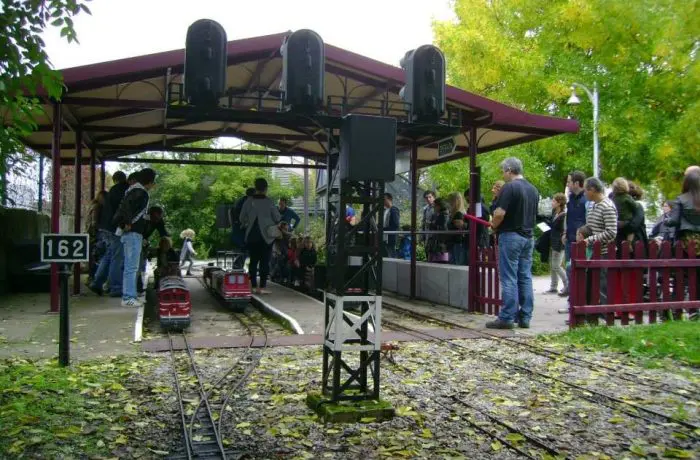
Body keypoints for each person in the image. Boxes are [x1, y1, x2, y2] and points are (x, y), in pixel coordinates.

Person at [487, 157, 539, 329]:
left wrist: (493, 226)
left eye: (503, 171)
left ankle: (507, 317)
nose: (503, 174)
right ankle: (525, 317)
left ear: (509, 170)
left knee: (509, 277)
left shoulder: (509, 187)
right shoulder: (533, 189)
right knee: (525, 276)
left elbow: (500, 213)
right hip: (528, 236)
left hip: (510, 236)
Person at [112, 168, 157, 308]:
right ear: (149, 181)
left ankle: (130, 294)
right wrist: (126, 223)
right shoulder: (140, 192)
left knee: (131, 266)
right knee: (131, 267)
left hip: (131, 233)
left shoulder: (133, 190)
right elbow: (128, 209)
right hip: (132, 233)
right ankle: (128, 297)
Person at [89, 171, 129, 297]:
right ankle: (116, 287)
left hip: (105, 228)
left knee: (108, 255)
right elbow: (123, 209)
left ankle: (97, 282)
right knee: (117, 257)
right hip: (115, 228)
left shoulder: (112, 190)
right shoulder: (124, 190)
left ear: (114, 179)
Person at [240, 177, 281, 294]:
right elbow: (277, 217)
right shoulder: (269, 202)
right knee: (265, 262)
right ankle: (262, 287)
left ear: (256, 187)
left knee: (253, 261)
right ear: (265, 189)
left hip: (252, 236)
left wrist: (247, 222)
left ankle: (253, 286)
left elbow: (241, 218)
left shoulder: (248, 201)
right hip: (266, 237)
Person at [582, 177, 618, 305]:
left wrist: (590, 240)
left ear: (592, 190)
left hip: (604, 252)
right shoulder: (592, 205)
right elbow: (591, 227)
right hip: (592, 252)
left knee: (602, 286)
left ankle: (603, 316)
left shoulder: (607, 206)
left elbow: (611, 232)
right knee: (590, 284)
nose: (584, 193)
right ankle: (589, 314)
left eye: (586, 190)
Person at [561, 171, 588, 297]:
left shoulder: (586, 199)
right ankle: (571, 301)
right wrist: (565, 232)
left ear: (577, 183)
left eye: (569, 182)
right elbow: (569, 217)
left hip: (581, 241)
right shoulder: (571, 199)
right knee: (569, 270)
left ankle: (579, 299)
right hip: (569, 239)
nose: (567, 185)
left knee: (579, 272)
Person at [547, 193, 568, 295]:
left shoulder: (563, 215)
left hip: (559, 243)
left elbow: (563, 229)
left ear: (559, 203)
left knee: (556, 265)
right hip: (552, 241)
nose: (552, 202)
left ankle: (567, 284)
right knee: (552, 265)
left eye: (554, 201)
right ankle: (553, 286)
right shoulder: (555, 213)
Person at [85, 191, 107, 281]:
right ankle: (95, 277)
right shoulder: (98, 207)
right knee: (99, 256)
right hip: (96, 235)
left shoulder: (93, 206)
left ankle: (92, 276)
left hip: (91, 235)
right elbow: (94, 223)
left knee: (93, 257)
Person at [611, 177, 637, 245]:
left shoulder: (613, 198)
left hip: (617, 221)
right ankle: (629, 243)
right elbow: (635, 207)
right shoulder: (627, 197)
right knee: (631, 232)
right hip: (626, 221)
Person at [427, 197, 450, 263]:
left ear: (439, 206)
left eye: (435, 206)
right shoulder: (440, 214)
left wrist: (431, 224)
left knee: (439, 261)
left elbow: (442, 227)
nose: (434, 208)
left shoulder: (443, 214)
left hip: (440, 244)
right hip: (438, 243)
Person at [447, 192, 467, 265]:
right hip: (455, 242)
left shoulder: (458, 213)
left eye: (450, 200)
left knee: (456, 264)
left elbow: (459, 227)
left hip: (457, 243)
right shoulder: (457, 213)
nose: (448, 203)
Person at [383, 193, 400, 258]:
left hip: (391, 237)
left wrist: (384, 229)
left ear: (389, 199)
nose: (383, 201)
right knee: (389, 254)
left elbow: (396, 224)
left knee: (392, 255)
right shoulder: (386, 210)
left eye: (384, 199)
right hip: (386, 236)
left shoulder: (393, 209)